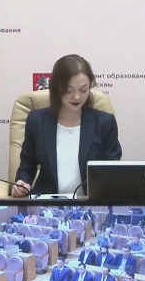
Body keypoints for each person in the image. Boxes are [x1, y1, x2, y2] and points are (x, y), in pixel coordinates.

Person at [12, 54, 122, 197]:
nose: (77, 97)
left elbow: (112, 171)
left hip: (90, 203)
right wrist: (22, 183)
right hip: (47, 203)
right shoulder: (37, 121)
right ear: (57, 88)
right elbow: (27, 167)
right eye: (69, 90)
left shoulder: (104, 123)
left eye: (83, 90)